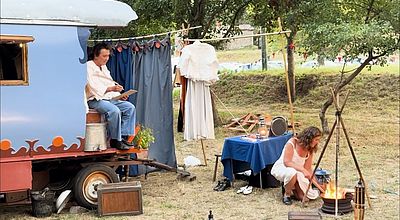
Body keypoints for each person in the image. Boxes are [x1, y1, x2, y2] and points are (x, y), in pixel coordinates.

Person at [85, 43, 136, 150]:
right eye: (104, 56)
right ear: (96, 55)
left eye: (108, 56)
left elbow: (110, 84)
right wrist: (111, 89)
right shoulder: (88, 67)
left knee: (130, 107)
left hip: (109, 99)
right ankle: (115, 139)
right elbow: (93, 88)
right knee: (114, 111)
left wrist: (120, 95)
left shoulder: (104, 68)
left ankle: (122, 137)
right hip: (95, 100)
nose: (107, 59)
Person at [271, 126, 323, 205]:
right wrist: (303, 170)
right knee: (292, 172)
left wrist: (316, 183)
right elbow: (287, 162)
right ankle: (287, 194)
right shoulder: (292, 143)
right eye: (316, 140)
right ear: (309, 138)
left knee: (304, 198)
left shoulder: (309, 149)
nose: (317, 142)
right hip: (284, 168)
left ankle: (293, 187)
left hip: (298, 172)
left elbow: (308, 168)